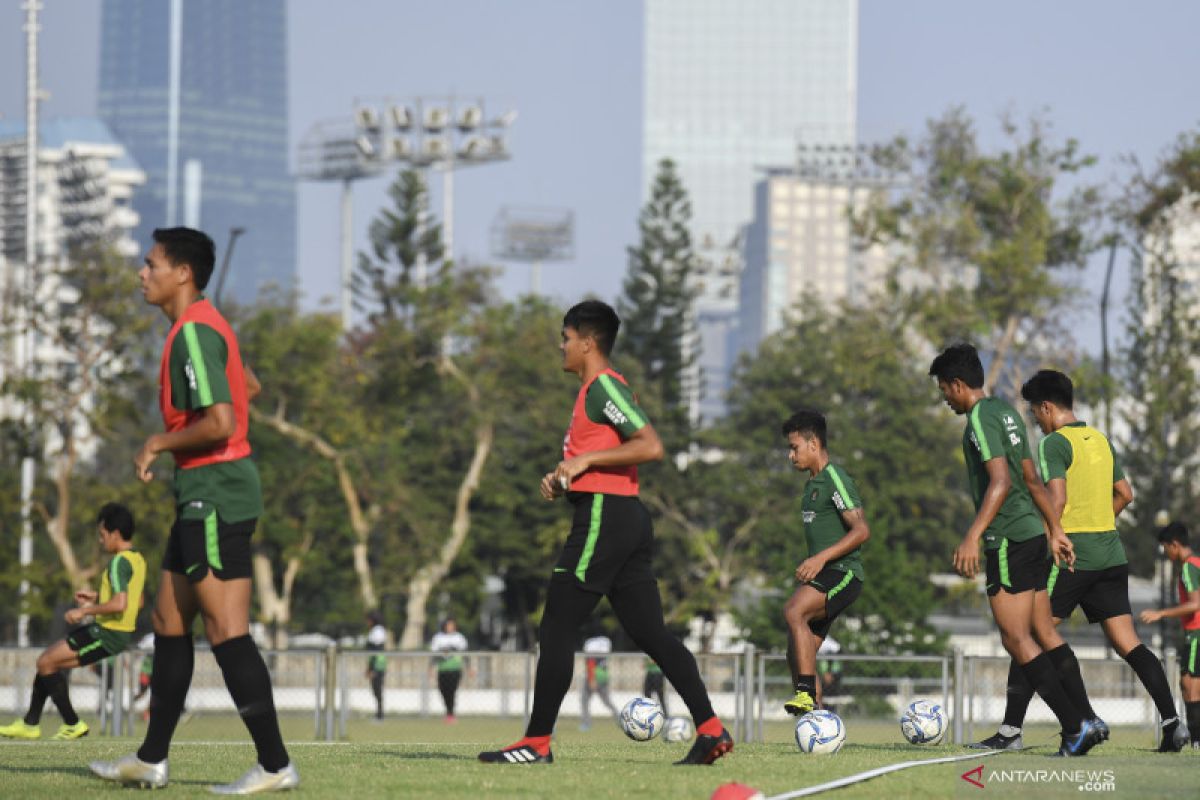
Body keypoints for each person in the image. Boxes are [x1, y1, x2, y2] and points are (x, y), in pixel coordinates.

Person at [478, 300, 731, 766]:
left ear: (588, 342)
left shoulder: (601, 387)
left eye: (566, 337)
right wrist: (565, 479)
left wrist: (586, 463)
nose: (562, 346)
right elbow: (607, 454)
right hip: (621, 516)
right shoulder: (593, 394)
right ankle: (711, 729)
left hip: (605, 518)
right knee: (652, 634)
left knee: (556, 624)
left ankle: (536, 743)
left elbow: (650, 445)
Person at [89, 227, 298, 793]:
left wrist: (157, 442)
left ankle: (276, 765)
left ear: (182, 273)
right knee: (166, 622)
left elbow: (225, 421)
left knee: (226, 630)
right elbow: (246, 385)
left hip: (216, 492)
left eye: (151, 263)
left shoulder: (193, 333)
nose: (142, 272)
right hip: (201, 491)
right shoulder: (203, 325)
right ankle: (152, 758)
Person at [977, 370, 1188, 752]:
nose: (1036, 422)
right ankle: (1173, 724)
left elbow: (1054, 499)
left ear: (1046, 407)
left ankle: (1014, 730)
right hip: (1111, 554)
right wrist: (1099, 522)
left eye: (1034, 414)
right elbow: (1125, 493)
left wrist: (1052, 536)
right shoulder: (1101, 441)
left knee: (1026, 634)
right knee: (1130, 644)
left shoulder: (1054, 443)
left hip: (1071, 556)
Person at [929, 344, 1103, 757]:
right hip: (1033, 536)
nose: (944, 398)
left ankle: (1076, 726)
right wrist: (1055, 529)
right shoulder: (1006, 412)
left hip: (1006, 538)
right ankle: (1085, 719)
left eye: (943, 390)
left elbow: (1002, 481)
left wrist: (973, 535)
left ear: (957, 384)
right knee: (1043, 632)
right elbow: (1033, 478)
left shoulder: (978, 420)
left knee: (1015, 637)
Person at [0, 503, 145, 741]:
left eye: (102, 535)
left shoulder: (119, 562)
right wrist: (98, 597)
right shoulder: (137, 559)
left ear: (115, 534)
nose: (101, 541)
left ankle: (71, 723)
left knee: (46, 662)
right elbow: (135, 601)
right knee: (47, 662)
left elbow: (120, 605)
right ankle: (30, 723)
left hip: (107, 633)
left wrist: (85, 612)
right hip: (110, 632)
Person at [779, 409, 869, 716]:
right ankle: (816, 721)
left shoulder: (835, 479)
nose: (791, 455)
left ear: (813, 444)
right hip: (825, 575)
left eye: (795, 447)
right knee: (796, 654)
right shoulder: (811, 485)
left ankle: (804, 695)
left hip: (843, 574)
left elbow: (861, 530)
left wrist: (819, 559)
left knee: (793, 611)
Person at [1141, 522, 1200, 748]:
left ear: (1174, 544)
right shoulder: (1195, 564)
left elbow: (1195, 604)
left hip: (1196, 633)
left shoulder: (1188, 567)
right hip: (1193, 633)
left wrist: (1161, 613)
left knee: (1189, 686)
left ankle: (1196, 740)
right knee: (1190, 685)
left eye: (1165, 547)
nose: (1166, 553)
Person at [430, 618, 468, 722]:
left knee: (452, 690)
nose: (450, 627)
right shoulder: (438, 637)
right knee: (443, 690)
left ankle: (450, 713)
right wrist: (431, 668)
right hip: (442, 668)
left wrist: (469, 668)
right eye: (448, 625)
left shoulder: (459, 637)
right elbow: (434, 655)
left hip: (455, 668)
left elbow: (465, 655)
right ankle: (448, 711)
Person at [579, 631, 618, 730]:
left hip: (593, 678)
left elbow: (591, 665)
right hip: (603, 678)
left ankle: (586, 724)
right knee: (607, 702)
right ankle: (620, 719)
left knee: (584, 701)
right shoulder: (603, 650)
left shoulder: (592, 652)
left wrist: (592, 680)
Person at [365, 612, 388, 721]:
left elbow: (376, 649)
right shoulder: (376, 630)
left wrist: (371, 668)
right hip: (376, 664)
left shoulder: (378, 630)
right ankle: (379, 714)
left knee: (377, 689)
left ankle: (380, 715)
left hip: (378, 664)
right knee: (376, 690)